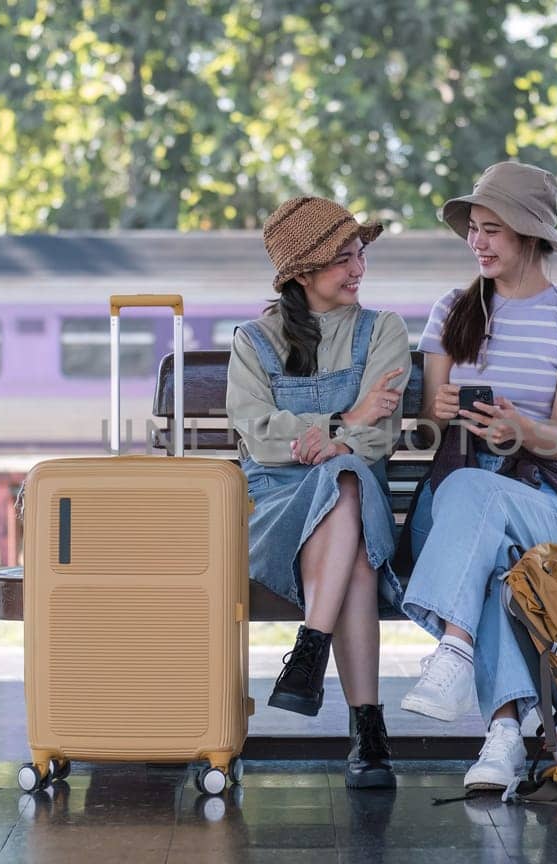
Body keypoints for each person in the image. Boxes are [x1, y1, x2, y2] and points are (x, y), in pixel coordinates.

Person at [397, 162, 557, 791]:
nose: (477, 242)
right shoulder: (452, 311)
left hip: (536, 497)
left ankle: (455, 654)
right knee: (480, 532)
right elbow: (429, 433)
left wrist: (522, 430)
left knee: (483, 514)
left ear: (530, 236)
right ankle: (505, 737)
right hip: (454, 493)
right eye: (474, 230)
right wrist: (434, 414)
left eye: (493, 230)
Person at [227, 195, 411, 789]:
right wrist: (340, 424)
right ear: (302, 273)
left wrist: (332, 438)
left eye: (360, 254)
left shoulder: (383, 330)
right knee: (353, 553)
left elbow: (377, 435)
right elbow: (256, 435)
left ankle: (310, 650)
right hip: (276, 505)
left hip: (356, 492)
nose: (359, 269)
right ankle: (368, 733)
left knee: (348, 479)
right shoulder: (253, 341)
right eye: (342, 259)